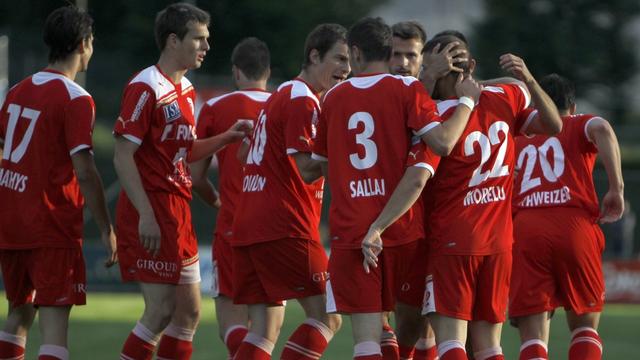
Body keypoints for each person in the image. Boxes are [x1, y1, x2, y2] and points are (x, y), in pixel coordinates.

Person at [311, 17, 480, 360]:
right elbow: (442, 143)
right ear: (388, 52)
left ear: (356, 52)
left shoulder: (332, 98)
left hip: (352, 231)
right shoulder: (407, 90)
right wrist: (467, 102)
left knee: (367, 341)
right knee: (418, 326)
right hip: (403, 231)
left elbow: (320, 164)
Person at [113, 4, 251, 360]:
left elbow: (184, 150)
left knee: (188, 314)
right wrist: (145, 214)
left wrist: (226, 138)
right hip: (153, 206)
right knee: (159, 312)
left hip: (178, 207)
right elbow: (122, 155)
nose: (206, 47)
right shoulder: (145, 86)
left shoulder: (187, 89)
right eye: (199, 39)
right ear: (174, 40)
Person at [419, 33, 562, 360]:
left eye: (428, 69)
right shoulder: (506, 95)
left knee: (451, 342)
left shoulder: (435, 113)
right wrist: (528, 79)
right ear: (470, 66)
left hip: (454, 238)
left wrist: (429, 78)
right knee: (488, 346)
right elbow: (554, 124)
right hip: (498, 242)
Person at [0, 5, 116, 360]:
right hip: (51, 224)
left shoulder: (18, 90)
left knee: (19, 315)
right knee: (54, 327)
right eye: (92, 41)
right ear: (83, 44)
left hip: (12, 222)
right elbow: (84, 170)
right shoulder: (76, 99)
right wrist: (105, 227)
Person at [230, 23, 350, 360]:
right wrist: (346, 156)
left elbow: (246, 155)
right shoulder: (302, 99)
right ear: (314, 55)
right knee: (328, 315)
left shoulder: (281, 94)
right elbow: (307, 169)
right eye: (338, 59)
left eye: (349, 62)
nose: (345, 69)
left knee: (264, 327)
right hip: (284, 224)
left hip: (250, 223)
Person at [509, 74, 624, 360]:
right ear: (571, 108)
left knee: (533, 336)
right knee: (584, 327)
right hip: (574, 225)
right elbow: (603, 128)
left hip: (526, 227)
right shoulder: (576, 123)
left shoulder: (517, 134)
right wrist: (616, 189)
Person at [191, 36, 271, 359]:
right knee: (265, 327)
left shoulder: (214, 108)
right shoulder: (283, 104)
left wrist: (217, 202)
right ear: (267, 71)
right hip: (274, 227)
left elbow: (195, 176)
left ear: (236, 72)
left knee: (231, 323)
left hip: (233, 225)